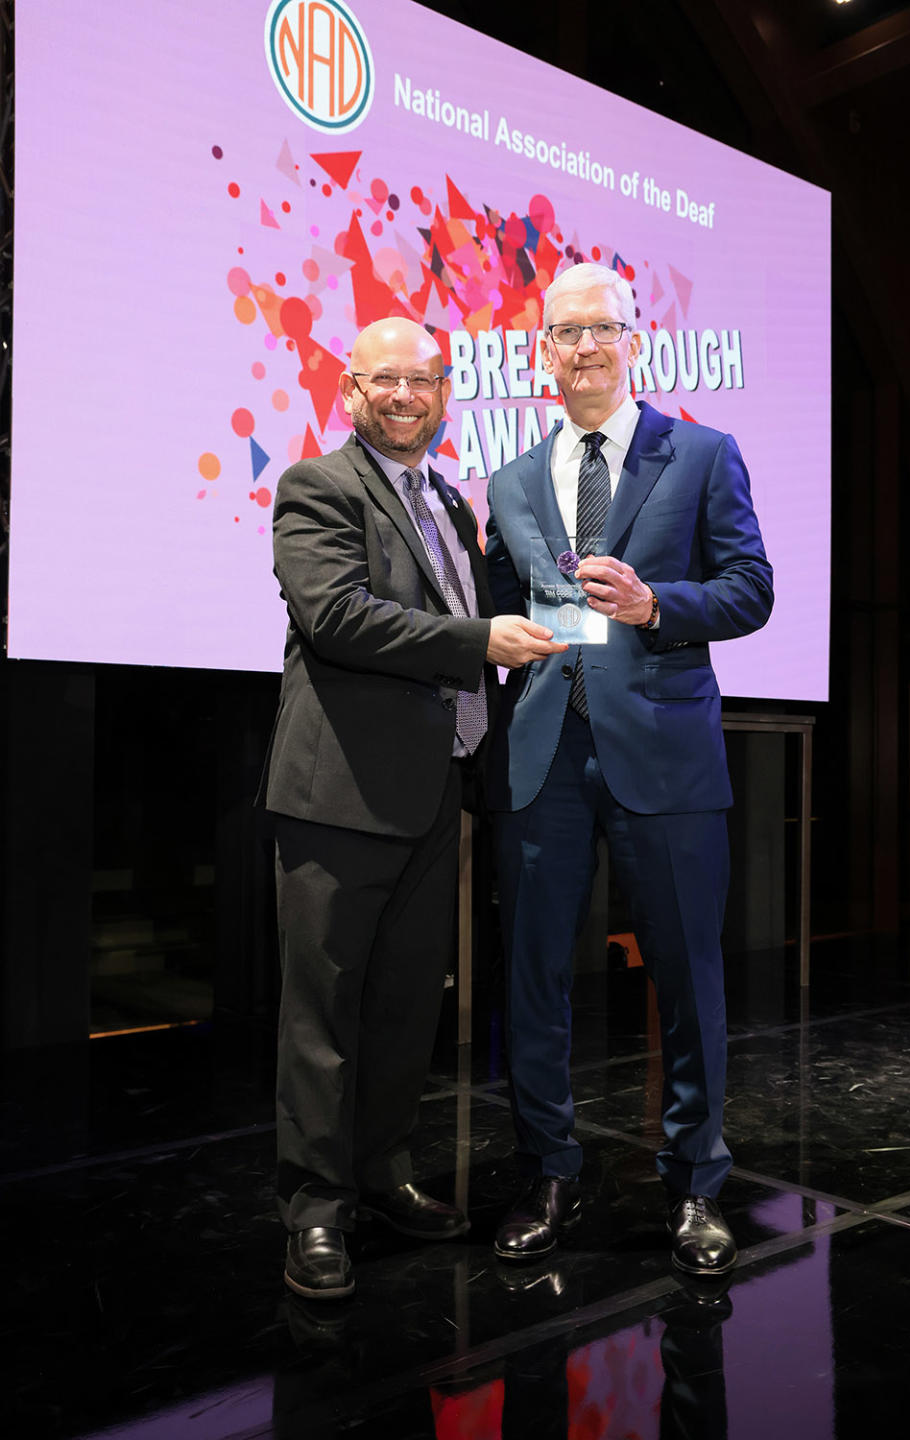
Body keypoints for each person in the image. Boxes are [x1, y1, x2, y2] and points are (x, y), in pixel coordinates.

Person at [258, 317, 565, 1299]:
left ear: (444, 396)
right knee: (324, 1015)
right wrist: (481, 638)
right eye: (383, 381)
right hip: (337, 796)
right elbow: (339, 617)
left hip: (434, 793)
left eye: (422, 382)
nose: (403, 397)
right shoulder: (317, 488)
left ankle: (383, 1174)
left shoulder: (445, 503)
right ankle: (314, 1209)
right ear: (349, 391)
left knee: (399, 1011)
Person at [485, 262, 774, 1275]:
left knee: (689, 978)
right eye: (565, 333)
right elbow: (501, 602)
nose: (584, 348)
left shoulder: (700, 454)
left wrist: (658, 606)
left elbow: (751, 590)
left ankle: (696, 1184)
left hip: (666, 756)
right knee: (532, 982)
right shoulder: (513, 480)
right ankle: (549, 1170)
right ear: (541, 353)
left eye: (602, 329)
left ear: (635, 340)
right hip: (543, 755)